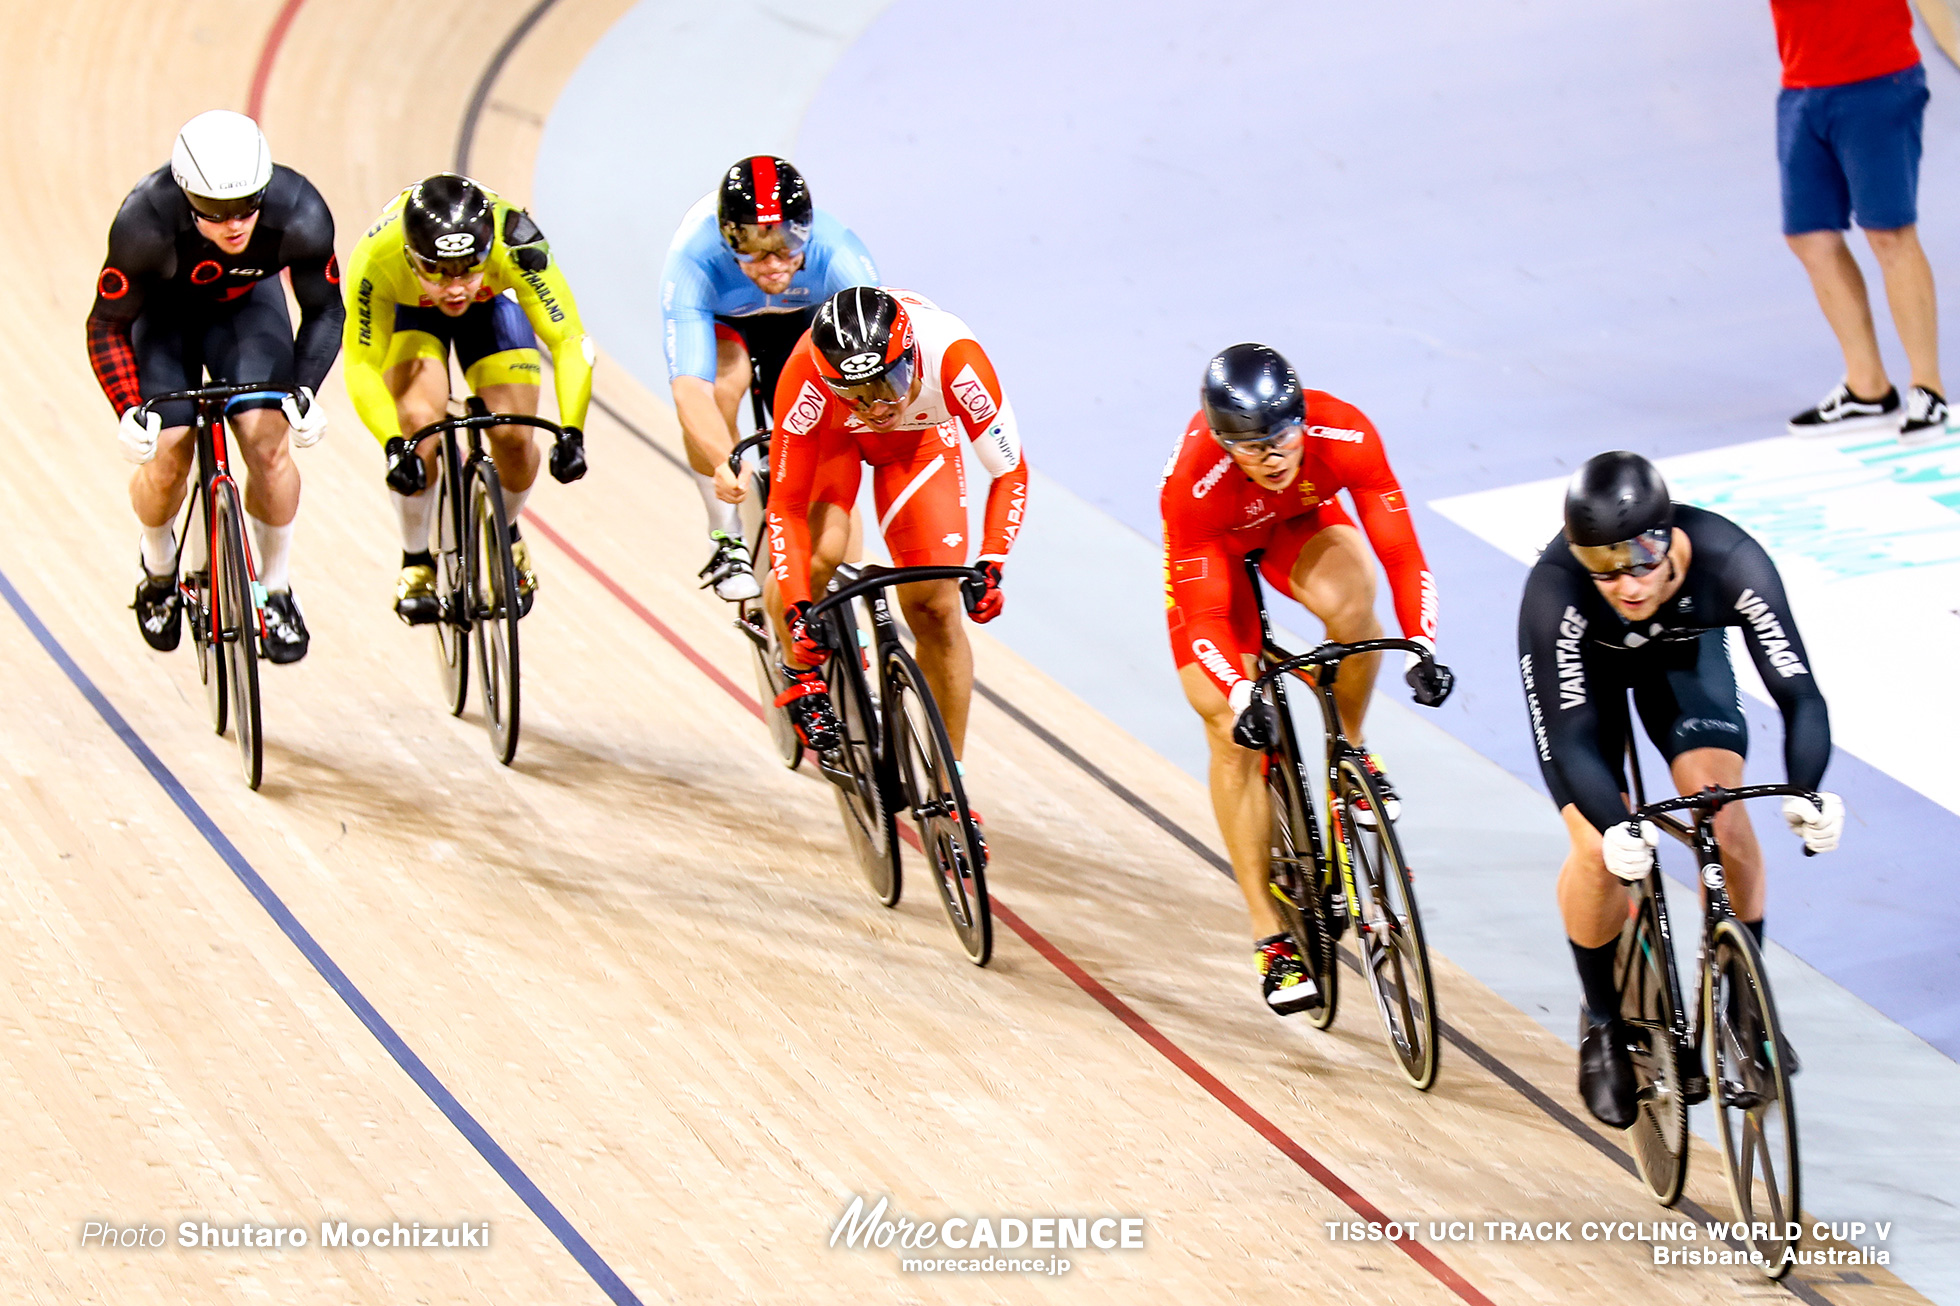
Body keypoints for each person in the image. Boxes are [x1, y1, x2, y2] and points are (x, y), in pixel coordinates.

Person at [1517, 450, 1841, 1129]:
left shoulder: (1731, 559)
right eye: (1603, 564)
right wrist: (1617, 827)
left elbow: (1799, 693)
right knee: (1597, 852)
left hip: (1682, 656)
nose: (1626, 583)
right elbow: (1573, 742)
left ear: (1670, 536)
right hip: (1586, 687)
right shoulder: (1557, 590)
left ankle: (1741, 1005)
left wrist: (1808, 791)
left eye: (1640, 557)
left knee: (1724, 814)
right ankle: (1603, 1023)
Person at [1161, 343, 1449, 1018]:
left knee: (1358, 608)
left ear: (1300, 416)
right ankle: (1269, 933)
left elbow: (1402, 550)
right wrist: (1240, 693)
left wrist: (1421, 647)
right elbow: (1202, 619)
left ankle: (1347, 749)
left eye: (1284, 433)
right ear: (1225, 443)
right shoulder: (1193, 487)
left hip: (1297, 523)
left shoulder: (1343, 432)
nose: (1274, 454)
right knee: (1230, 732)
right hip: (1216, 552)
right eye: (1254, 445)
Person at [88, 109, 340, 662]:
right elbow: (106, 324)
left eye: (247, 206)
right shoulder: (144, 224)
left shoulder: (299, 212)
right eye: (215, 211)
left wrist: (304, 390)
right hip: (165, 320)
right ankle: (158, 568)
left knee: (267, 442)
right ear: (184, 195)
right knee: (169, 453)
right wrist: (128, 409)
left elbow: (325, 312)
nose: (234, 224)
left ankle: (274, 589)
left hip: (245, 313)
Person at [764, 286, 1025, 784]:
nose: (877, 406)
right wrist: (798, 606)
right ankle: (799, 673)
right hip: (832, 438)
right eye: (855, 393)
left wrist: (992, 562)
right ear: (830, 382)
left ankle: (949, 786)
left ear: (911, 356)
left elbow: (1009, 470)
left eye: (890, 381)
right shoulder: (805, 376)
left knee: (936, 607)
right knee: (820, 555)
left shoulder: (952, 356)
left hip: (919, 441)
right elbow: (786, 507)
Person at [340, 174, 590, 622]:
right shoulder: (376, 256)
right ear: (410, 256)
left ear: (489, 247)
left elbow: (569, 338)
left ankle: (505, 531)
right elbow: (360, 363)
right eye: (436, 270)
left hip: (491, 308)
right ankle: (416, 560)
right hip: (412, 312)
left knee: (514, 434)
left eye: (469, 266)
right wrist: (394, 446)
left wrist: (572, 430)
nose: (454, 286)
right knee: (418, 425)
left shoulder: (515, 240)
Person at [661, 156, 879, 600]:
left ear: (807, 228)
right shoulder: (693, 259)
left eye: (787, 242)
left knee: (829, 431)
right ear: (726, 237)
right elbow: (690, 388)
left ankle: (847, 603)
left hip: (799, 321)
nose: (773, 262)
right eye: (753, 247)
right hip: (727, 320)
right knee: (722, 386)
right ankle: (726, 538)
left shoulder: (838, 252)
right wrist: (724, 460)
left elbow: (880, 347)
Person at [1773, 0, 1950, 444]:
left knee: (1890, 233)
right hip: (1802, 83)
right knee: (1808, 236)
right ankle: (1866, 386)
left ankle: (1927, 386)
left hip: (1876, 78)